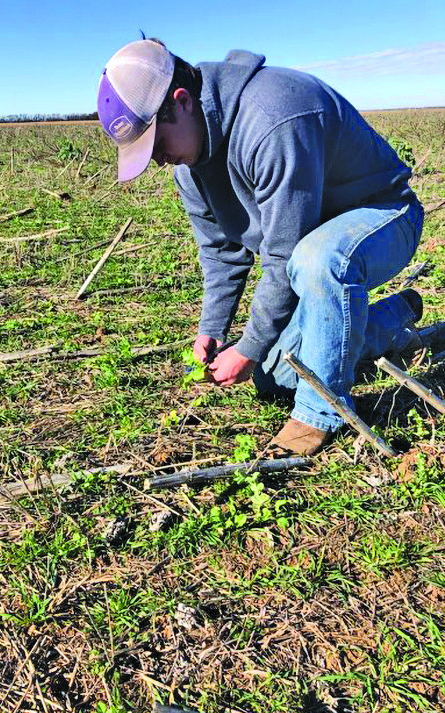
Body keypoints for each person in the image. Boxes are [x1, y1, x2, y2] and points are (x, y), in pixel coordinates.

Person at [96, 39, 424, 455]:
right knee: (275, 374)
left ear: (181, 103)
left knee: (317, 260)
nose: (158, 159)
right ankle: (396, 314)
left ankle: (319, 414)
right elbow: (220, 254)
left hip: (383, 218)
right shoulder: (189, 170)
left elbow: (286, 254)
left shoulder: (272, 119)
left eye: (156, 144)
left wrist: (247, 347)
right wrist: (213, 331)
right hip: (310, 247)